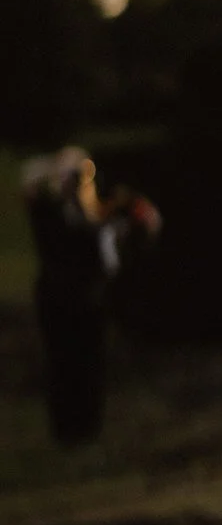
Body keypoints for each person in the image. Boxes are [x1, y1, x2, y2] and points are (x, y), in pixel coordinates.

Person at [23, 148, 160, 442]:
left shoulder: (84, 212)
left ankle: (84, 428)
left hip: (85, 300)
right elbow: (79, 236)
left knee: (87, 365)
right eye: (76, 175)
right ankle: (70, 431)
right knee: (66, 366)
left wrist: (130, 221)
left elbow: (110, 245)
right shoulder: (53, 211)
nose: (83, 181)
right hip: (63, 300)